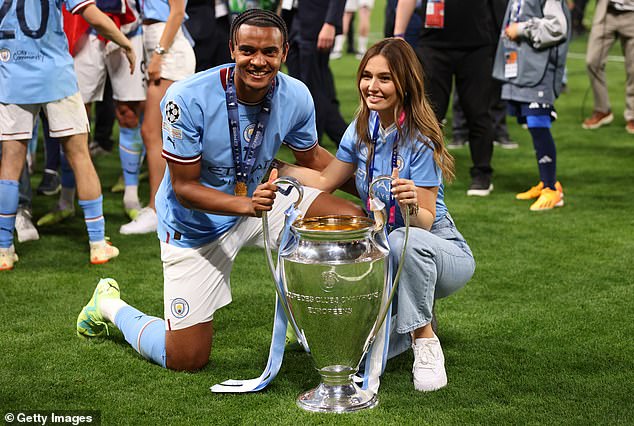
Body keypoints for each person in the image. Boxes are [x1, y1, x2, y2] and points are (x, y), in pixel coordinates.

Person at [76, 10, 362, 371]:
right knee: (184, 358)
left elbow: (315, 159)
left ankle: (302, 315)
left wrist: (368, 191)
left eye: (269, 53)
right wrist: (245, 205)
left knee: (350, 222)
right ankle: (106, 305)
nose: (258, 61)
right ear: (232, 49)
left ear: (285, 52)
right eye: (248, 50)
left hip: (259, 201)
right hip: (197, 224)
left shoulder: (296, 95)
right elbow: (184, 188)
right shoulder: (187, 98)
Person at [277, 38, 475, 391]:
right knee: (360, 350)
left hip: (437, 246)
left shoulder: (421, 139)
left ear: (404, 84)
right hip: (389, 248)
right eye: (367, 76)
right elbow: (325, 179)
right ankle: (408, 318)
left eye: (384, 78)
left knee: (401, 240)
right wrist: (275, 169)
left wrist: (412, 202)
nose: (372, 86)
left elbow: (423, 223)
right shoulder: (360, 129)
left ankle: (425, 341)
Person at [0, 0, 136, 270]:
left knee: (10, 162)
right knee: (80, 156)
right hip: (55, 74)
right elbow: (94, 16)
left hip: (11, 76)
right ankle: (98, 245)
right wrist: (125, 42)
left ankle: (4, 249)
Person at [394, 0, 502, 197]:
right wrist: (399, 34)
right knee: (428, 115)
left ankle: (482, 173)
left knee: (477, 112)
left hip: (477, 45)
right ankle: (421, 174)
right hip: (433, 45)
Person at [119, 0, 196, 234]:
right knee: (161, 133)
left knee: (154, 132)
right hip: (158, 45)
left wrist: (159, 54)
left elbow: (178, 12)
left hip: (168, 51)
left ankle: (156, 209)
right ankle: (168, 207)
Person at [493, 0, 570, 211]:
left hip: (540, 70)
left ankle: (552, 189)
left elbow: (558, 27)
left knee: (538, 123)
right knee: (530, 122)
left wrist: (523, 28)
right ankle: (546, 181)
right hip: (523, 66)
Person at [285, 0, 349, 146]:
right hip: (294, 20)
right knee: (304, 90)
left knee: (313, 89)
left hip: (317, 23)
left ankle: (311, 146)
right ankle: (344, 137)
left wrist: (330, 23)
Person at [582, 0, 634, 134]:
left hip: (632, 13)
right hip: (606, 12)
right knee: (592, 61)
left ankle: (633, 115)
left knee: (633, 68)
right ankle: (602, 109)